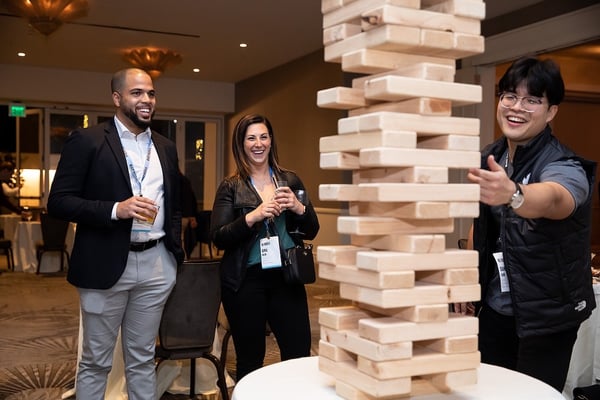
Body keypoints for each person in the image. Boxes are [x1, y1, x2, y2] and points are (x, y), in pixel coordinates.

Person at [459, 56, 596, 392]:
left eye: (532, 99)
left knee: (532, 395)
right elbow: (484, 226)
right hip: (495, 308)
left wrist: (514, 194)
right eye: (509, 96)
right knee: (487, 391)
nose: (516, 107)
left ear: (551, 111)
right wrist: (465, 278)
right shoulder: (492, 155)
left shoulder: (564, 163)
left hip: (547, 317)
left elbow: (556, 199)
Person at [47, 68, 184, 400]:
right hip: (104, 263)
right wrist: (114, 210)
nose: (146, 100)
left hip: (155, 265)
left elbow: (174, 205)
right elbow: (59, 202)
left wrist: (173, 255)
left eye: (151, 93)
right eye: (137, 93)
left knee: (141, 359)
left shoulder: (165, 147)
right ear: (117, 97)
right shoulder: (88, 140)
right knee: (96, 361)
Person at [210, 113, 319, 381]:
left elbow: (312, 230)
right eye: (251, 138)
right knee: (250, 357)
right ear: (241, 144)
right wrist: (253, 216)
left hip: (287, 277)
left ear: (271, 140)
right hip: (246, 281)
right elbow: (218, 236)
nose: (258, 144)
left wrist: (298, 207)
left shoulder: (290, 180)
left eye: (263, 136)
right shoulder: (231, 187)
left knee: (298, 353)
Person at [180, 171, 198, 259]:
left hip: (180, 216)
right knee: (181, 239)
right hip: (185, 216)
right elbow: (191, 199)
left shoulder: (176, 180)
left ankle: (182, 261)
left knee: (180, 240)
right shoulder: (185, 181)